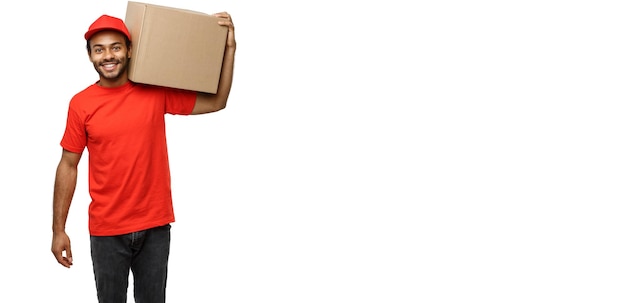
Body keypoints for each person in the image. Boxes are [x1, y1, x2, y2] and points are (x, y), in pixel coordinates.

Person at [50, 11, 236, 303]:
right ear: (90, 56)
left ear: (130, 50)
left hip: (155, 227)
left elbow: (217, 101)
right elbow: (68, 164)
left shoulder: (153, 91)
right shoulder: (81, 104)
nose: (108, 55)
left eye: (115, 47)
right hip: (107, 231)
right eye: (99, 49)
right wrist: (58, 229)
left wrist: (229, 50)